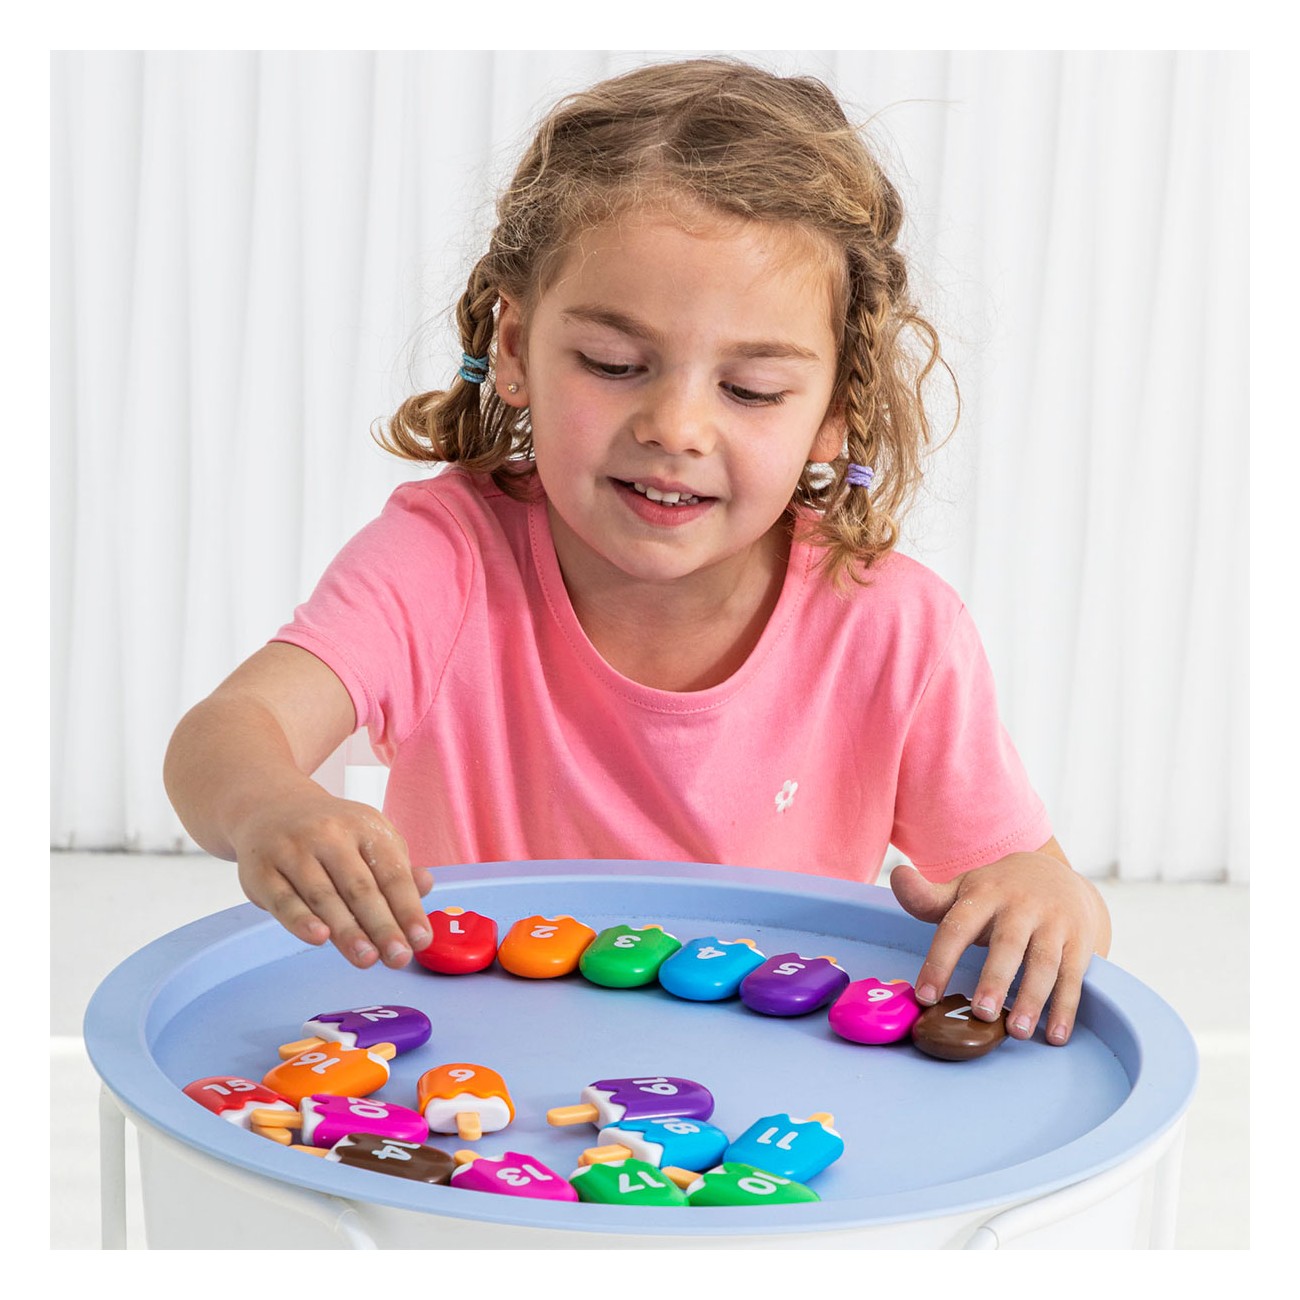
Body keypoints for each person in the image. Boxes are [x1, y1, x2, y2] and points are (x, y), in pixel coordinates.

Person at [164, 58, 1110, 1048]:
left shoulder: (893, 628)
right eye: (614, 364)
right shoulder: (444, 559)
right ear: (516, 348)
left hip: (766, 1102)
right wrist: (272, 806)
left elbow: (1031, 884)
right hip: (476, 1084)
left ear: (836, 412)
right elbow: (224, 733)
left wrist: (1049, 895)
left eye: (749, 390)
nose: (675, 427)